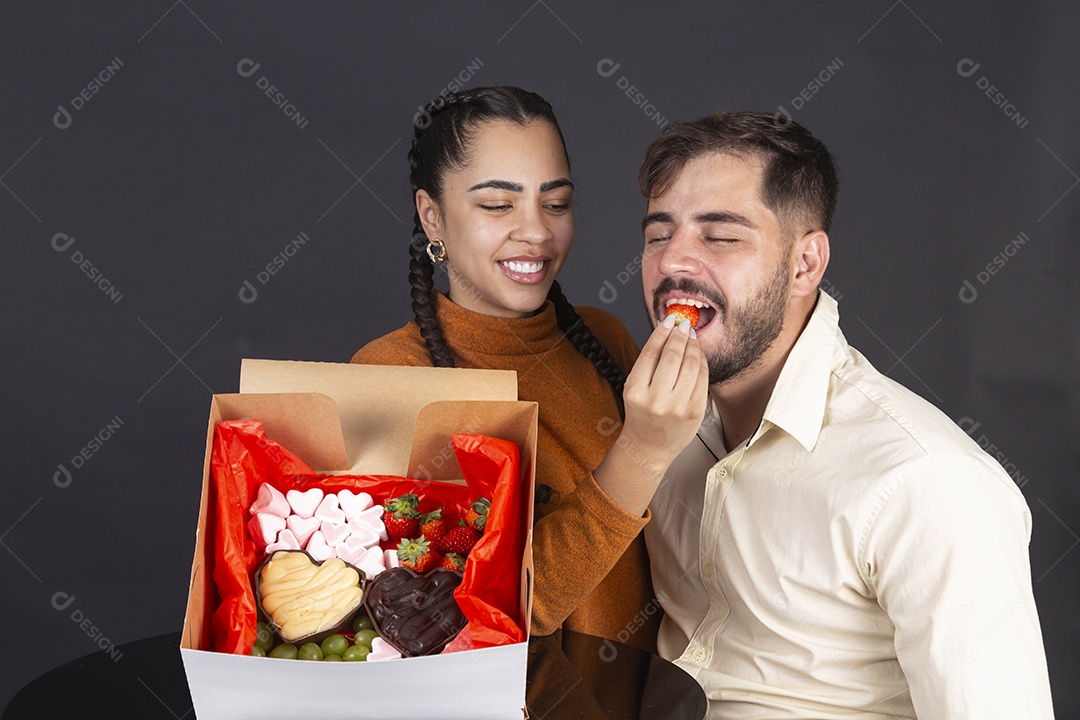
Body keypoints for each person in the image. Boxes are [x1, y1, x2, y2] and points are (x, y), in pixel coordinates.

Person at [639, 111, 1055, 718]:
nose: (674, 261)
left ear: (805, 265)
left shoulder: (926, 480)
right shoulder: (654, 429)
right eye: (657, 234)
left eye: (720, 236)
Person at [352, 86, 708, 650]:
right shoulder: (389, 374)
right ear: (432, 216)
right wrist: (642, 450)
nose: (537, 231)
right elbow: (491, 607)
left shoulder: (604, 339)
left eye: (556, 203)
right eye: (498, 205)